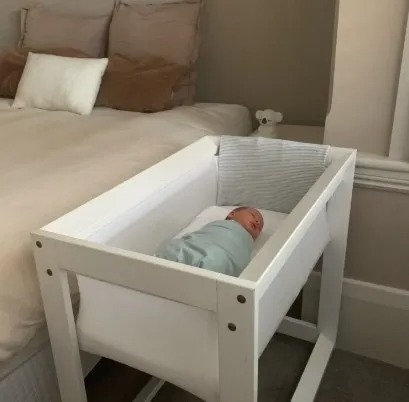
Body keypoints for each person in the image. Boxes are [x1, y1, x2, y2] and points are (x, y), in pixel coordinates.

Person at [155, 207, 264, 277]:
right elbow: (202, 236)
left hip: (221, 260)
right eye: (253, 215)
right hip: (198, 246)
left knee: (217, 260)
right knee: (177, 246)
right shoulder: (220, 225)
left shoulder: (247, 244)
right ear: (232, 213)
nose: (257, 221)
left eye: (260, 227)